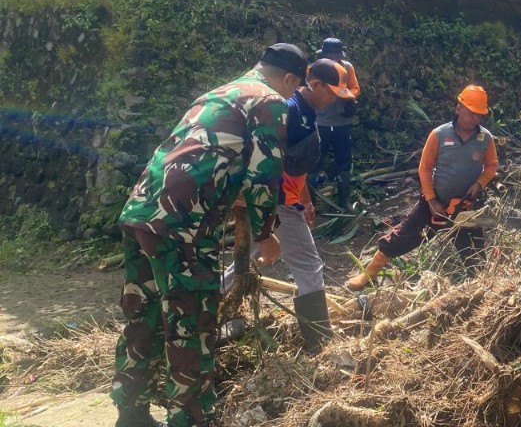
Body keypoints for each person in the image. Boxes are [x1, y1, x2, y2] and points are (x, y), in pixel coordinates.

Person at [111, 43, 308, 427]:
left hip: (141, 211)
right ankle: (190, 419)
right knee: (192, 324)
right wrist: (266, 234)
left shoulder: (219, 93)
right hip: (182, 224)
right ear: (287, 78)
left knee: (144, 314)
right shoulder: (269, 101)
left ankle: (130, 411)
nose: (292, 95)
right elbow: (263, 176)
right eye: (295, 87)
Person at [222, 58, 347, 353]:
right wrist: (271, 204)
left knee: (247, 255)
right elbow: (263, 159)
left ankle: (207, 308)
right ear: (314, 84)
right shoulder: (288, 110)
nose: (332, 101)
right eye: (331, 93)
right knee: (308, 266)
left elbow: (296, 165)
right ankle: (319, 343)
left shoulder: (307, 111)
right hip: (276, 203)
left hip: (286, 201)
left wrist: (305, 199)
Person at [345, 85, 498, 291]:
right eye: (472, 113)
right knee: (401, 238)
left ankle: (481, 288)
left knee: (474, 253)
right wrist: (432, 200)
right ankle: (368, 274)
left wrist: (479, 184)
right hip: (434, 202)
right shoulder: (440, 134)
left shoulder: (485, 138)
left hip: (465, 206)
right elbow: (425, 169)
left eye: (480, 115)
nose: (475, 119)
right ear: (459, 108)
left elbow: (491, 166)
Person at [313, 37, 360, 211]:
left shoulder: (347, 67)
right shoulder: (315, 68)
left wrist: (348, 96)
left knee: (344, 160)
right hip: (320, 121)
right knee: (315, 161)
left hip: (341, 121)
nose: (334, 60)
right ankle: (310, 203)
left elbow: (355, 88)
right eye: (330, 57)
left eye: (336, 57)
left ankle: (344, 201)